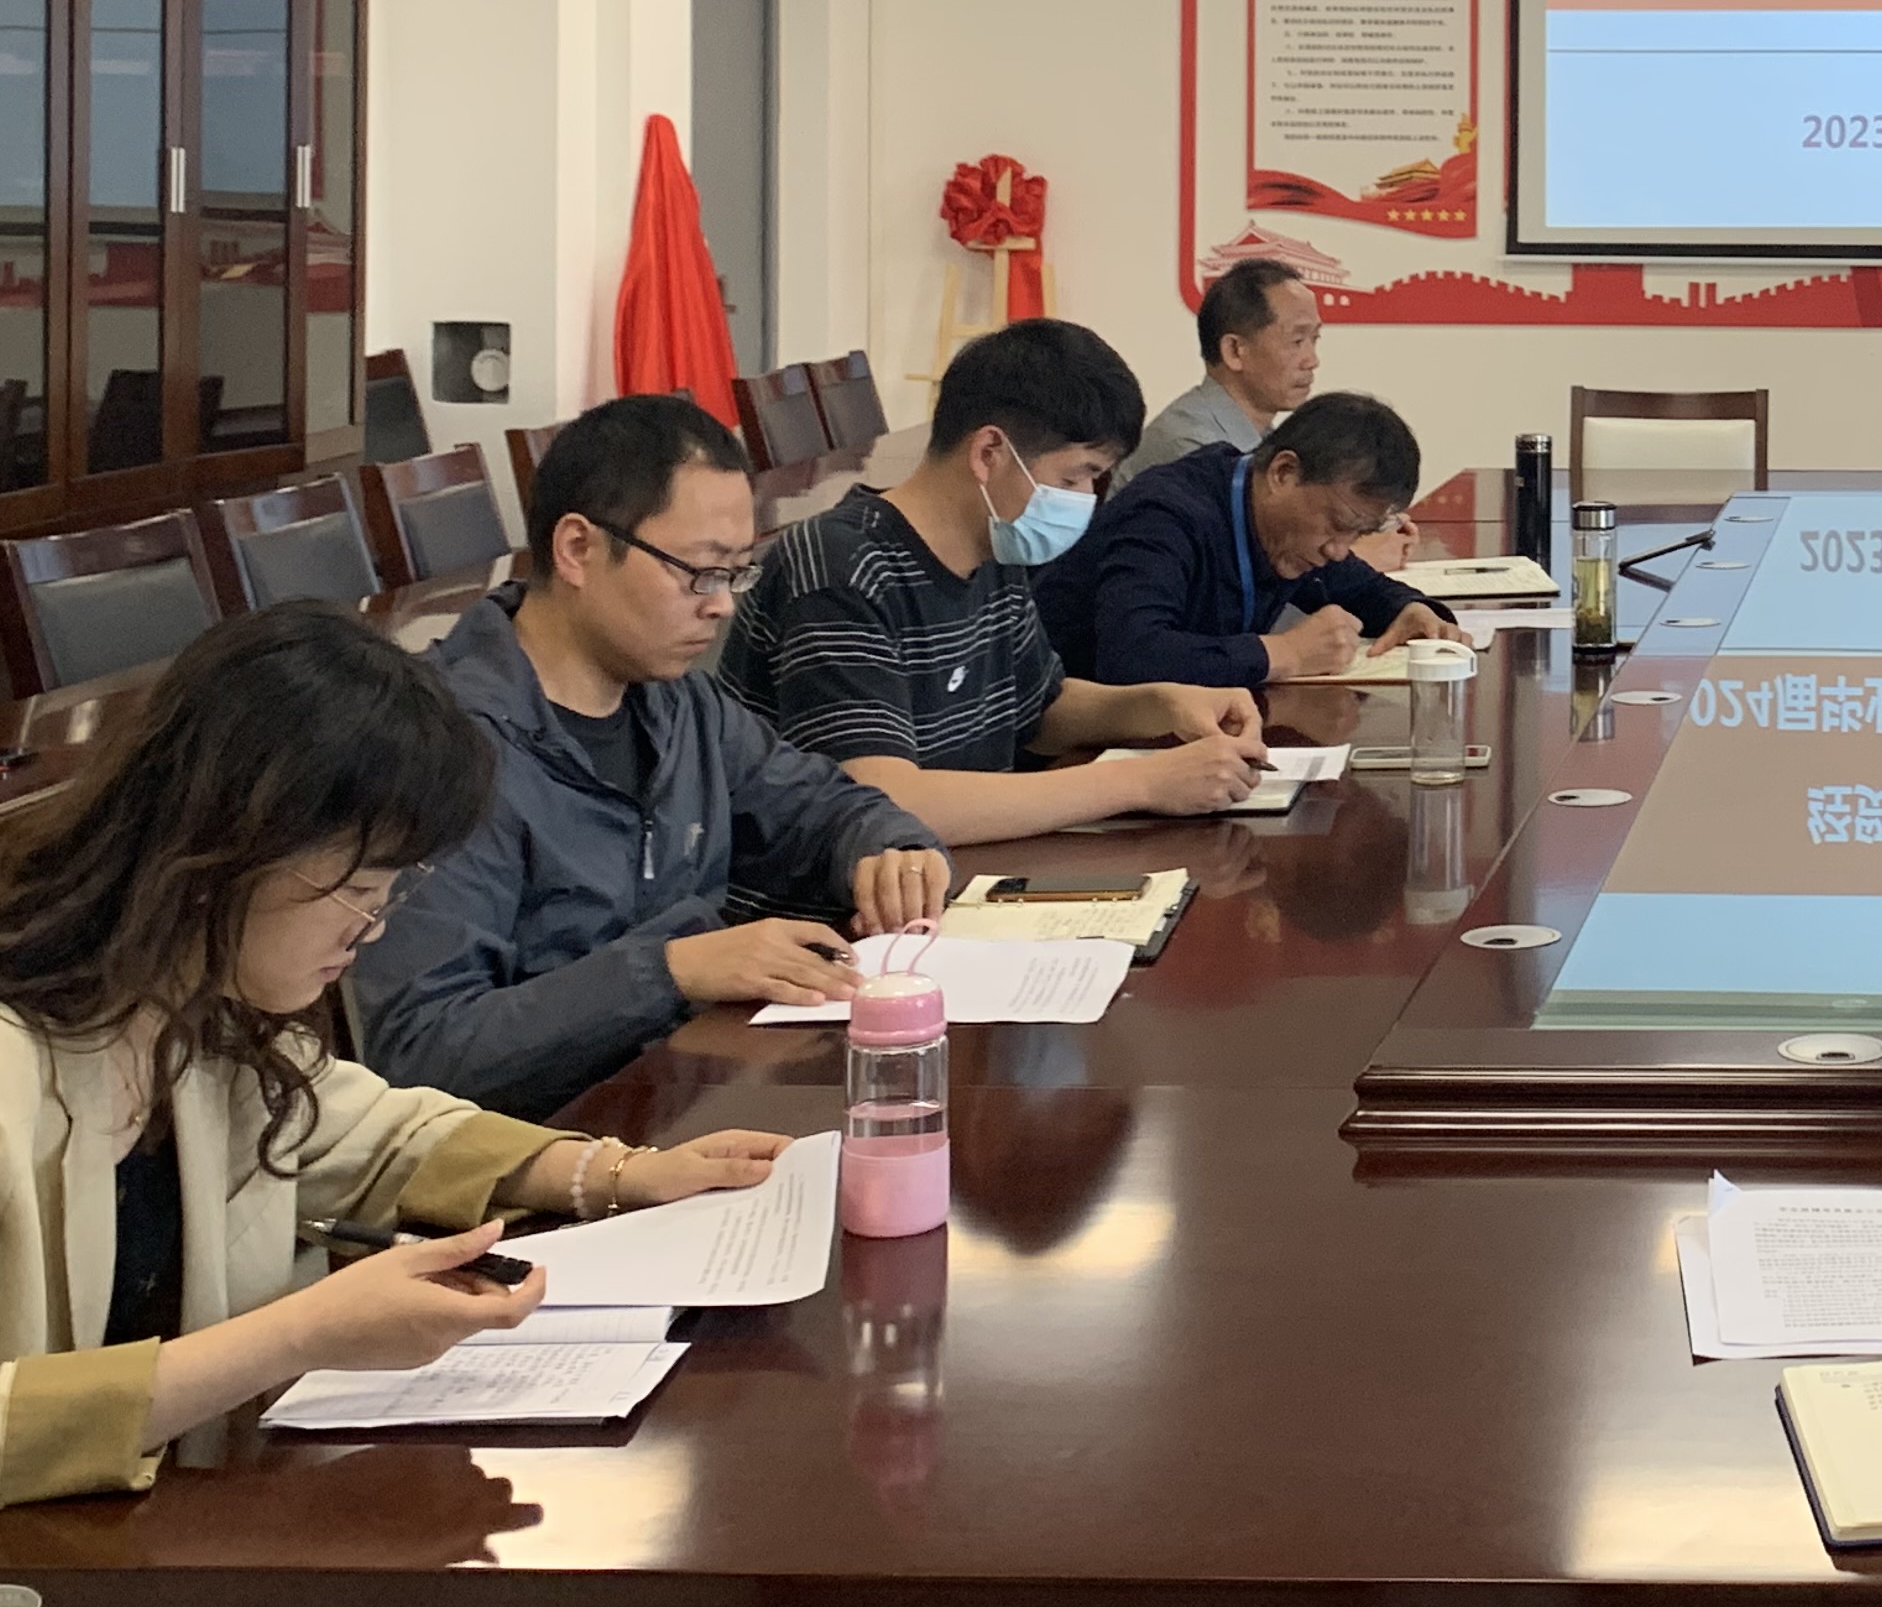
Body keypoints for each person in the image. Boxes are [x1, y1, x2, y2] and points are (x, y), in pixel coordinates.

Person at [0, 607, 796, 1507]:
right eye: (360, 888)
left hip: (154, 1524)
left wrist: (616, 1174)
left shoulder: (201, 1015)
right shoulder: (19, 1060)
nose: (372, 929)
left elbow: (369, 1128)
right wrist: (299, 1334)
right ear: (229, 848)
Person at [351, 394, 951, 1118]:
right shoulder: (441, 750)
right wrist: (670, 970)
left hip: (680, 1105)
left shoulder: (678, 703)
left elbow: (820, 806)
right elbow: (422, 1052)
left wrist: (888, 849)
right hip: (536, 1150)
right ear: (578, 549)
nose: (721, 605)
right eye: (699, 571)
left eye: (736, 573)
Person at [718, 319, 1269, 845]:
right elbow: (882, 801)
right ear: (988, 454)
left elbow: (1039, 710)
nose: (1085, 499)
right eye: (1073, 476)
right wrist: (1142, 782)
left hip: (959, 870)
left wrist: (1162, 704)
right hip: (838, 898)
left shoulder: (994, 546)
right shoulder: (840, 567)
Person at [1031, 389, 1456, 691]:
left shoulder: (1295, 529)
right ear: (1283, 473)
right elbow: (1132, 655)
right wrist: (1285, 653)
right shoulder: (1167, 514)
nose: (1338, 549)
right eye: (1338, 523)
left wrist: (1412, 609)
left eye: (1358, 533)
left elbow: (1362, 587)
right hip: (1058, 747)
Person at [1117, 257, 1317, 487]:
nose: (1312, 361)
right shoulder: (1192, 446)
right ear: (1234, 351)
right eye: (1297, 341)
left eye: (1315, 339)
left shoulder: (1263, 438)